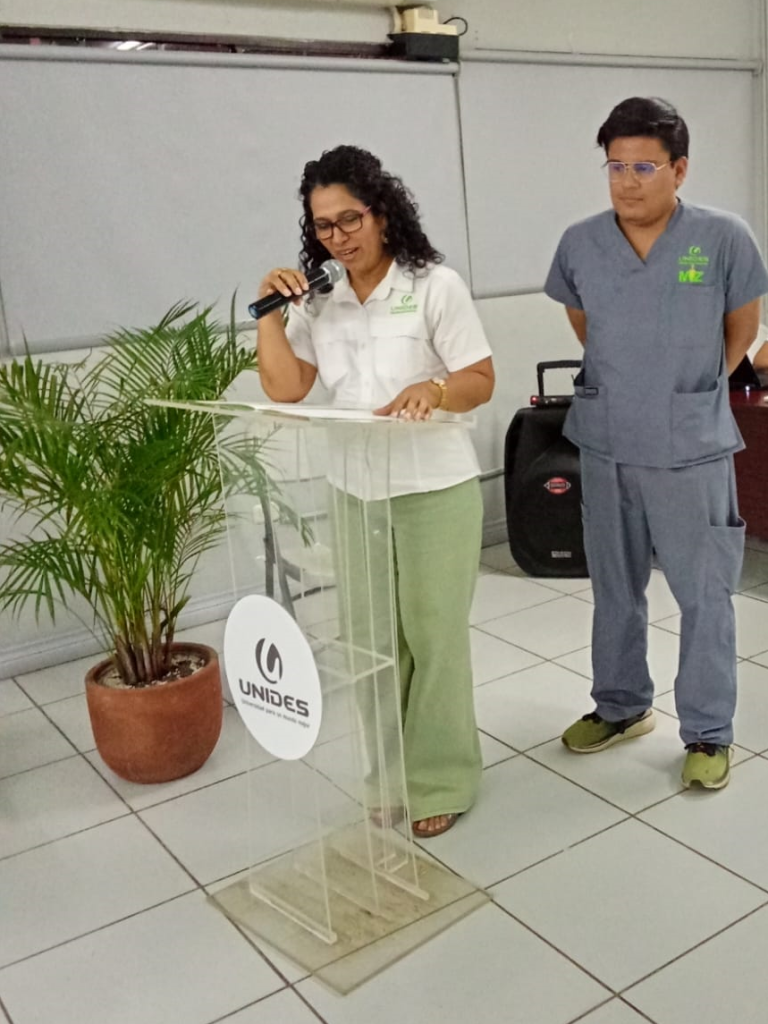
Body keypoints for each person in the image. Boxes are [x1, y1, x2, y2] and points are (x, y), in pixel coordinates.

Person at [255, 145, 495, 836]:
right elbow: (286, 387)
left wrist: (435, 388)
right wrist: (268, 313)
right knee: (371, 641)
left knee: (432, 637)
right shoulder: (319, 300)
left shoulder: (434, 285)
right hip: (355, 490)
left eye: (350, 219)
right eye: (323, 225)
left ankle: (441, 779)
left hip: (433, 488)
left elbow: (480, 378)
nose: (338, 236)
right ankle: (388, 778)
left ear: (382, 213)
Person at [545, 96, 768, 789]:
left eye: (644, 166)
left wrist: (685, 391)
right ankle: (620, 705)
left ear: (679, 169)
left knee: (704, 595)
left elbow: (742, 331)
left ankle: (707, 731)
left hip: (690, 445)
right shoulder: (581, 243)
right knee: (614, 586)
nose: (627, 181)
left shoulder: (723, 237)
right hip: (608, 440)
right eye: (616, 166)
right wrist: (633, 384)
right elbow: (588, 326)